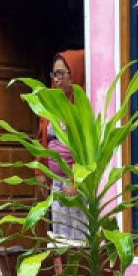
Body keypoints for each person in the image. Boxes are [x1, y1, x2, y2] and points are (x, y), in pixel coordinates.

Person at [38, 49, 87, 241]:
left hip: (75, 184)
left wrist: (75, 181)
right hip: (56, 185)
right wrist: (40, 171)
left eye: (61, 73)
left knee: (77, 237)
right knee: (60, 237)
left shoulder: (81, 109)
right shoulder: (50, 106)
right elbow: (42, 139)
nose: (56, 79)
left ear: (75, 74)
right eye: (54, 74)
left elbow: (86, 150)